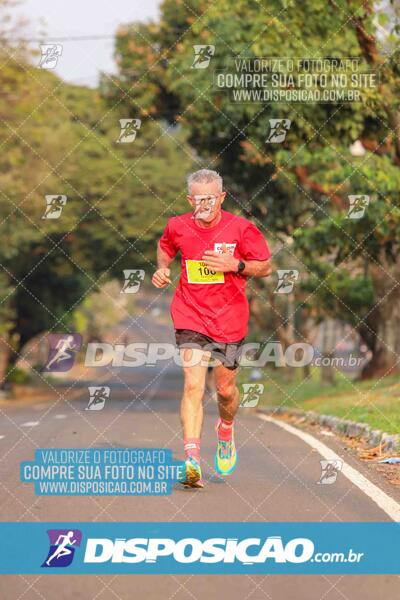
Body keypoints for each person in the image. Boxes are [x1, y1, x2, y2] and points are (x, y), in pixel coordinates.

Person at [152, 169, 272, 488]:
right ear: (189, 199)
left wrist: (237, 265)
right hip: (190, 314)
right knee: (193, 385)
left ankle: (226, 428)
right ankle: (192, 460)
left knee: (224, 390)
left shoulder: (241, 229)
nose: (204, 204)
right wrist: (162, 268)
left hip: (229, 319)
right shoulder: (177, 226)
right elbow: (165, 247)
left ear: (221, 198)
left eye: (210, 198)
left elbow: (265, 265)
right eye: (198, 199)